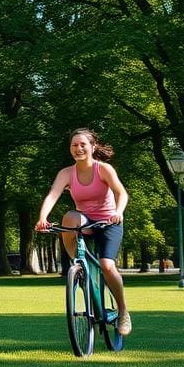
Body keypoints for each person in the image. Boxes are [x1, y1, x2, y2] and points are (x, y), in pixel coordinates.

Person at [35, 128, 132, 335]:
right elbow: (53, 195)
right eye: (74, 145)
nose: (78, 149)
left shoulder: (103, 169)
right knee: (70, 217)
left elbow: (121, 193)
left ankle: (123, 311)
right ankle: (78, 265)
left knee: (107, 265)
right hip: (85, 222)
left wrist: (118, 212)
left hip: (109, 222)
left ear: (92, 147)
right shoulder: (66, 173)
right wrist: (42, 218)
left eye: (82, 145)